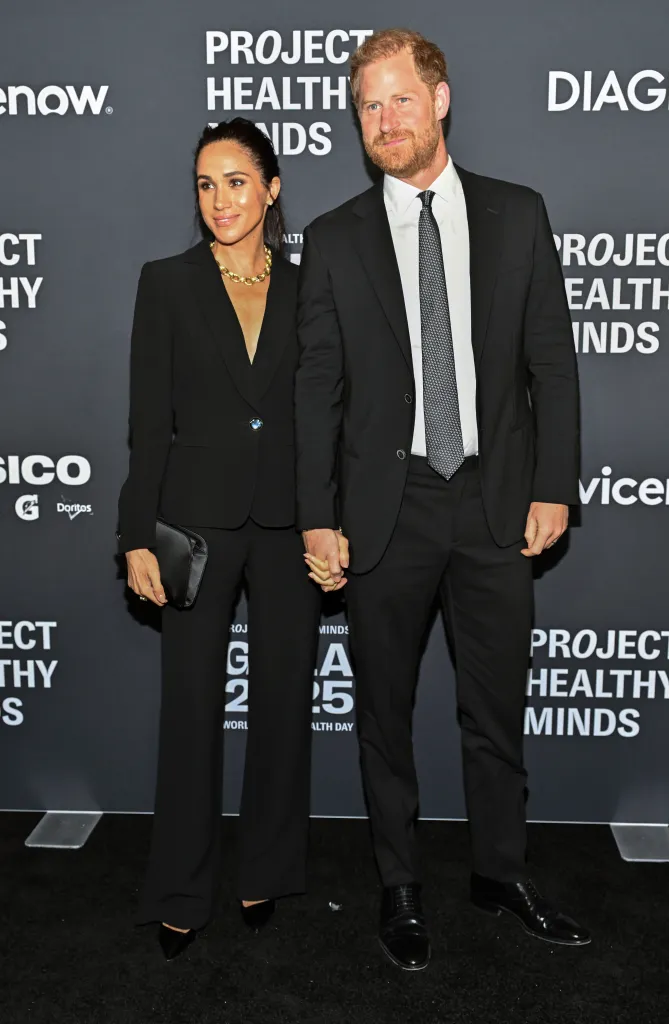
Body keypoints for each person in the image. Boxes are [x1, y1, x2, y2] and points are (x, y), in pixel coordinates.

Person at [296, 29, 589, 971]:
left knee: (496, 707)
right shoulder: (337, 236)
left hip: (496, 498)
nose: (383, 121)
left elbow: (552, 360)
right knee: (382, 713)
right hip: (388, 506)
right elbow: (318, 390)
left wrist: (554, 487)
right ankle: (401, 886)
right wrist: (316, 512)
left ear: (442, 99)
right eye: (368, 106)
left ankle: (500, 873)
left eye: (399, 100)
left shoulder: (517, 212)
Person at [117, 118, 320, 960]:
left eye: (237, 181)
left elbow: (329, 414)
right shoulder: (165, 282)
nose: (220, 201)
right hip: (191, 527)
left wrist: (328, 517)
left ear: (271, 190)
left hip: (288, 523)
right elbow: (147, 426)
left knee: (282, 707)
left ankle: (265, 869)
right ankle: (180, 887)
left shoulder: (315, 286)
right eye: (205, 184)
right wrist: (135, 536)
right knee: (190, 710)